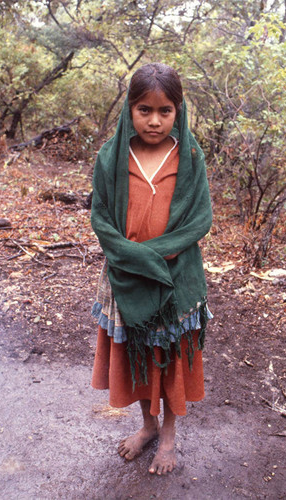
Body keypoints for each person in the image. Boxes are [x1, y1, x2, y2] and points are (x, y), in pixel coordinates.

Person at [90, 63, 212, 475]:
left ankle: (170, 437)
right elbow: (101, 216)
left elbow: (199, 220)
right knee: (138, 353)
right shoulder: (112, 155)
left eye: (165, 111)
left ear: (179, 111)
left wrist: (153, 257)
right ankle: (147, 426)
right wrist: (132, 258)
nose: (154, 120)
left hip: (176, 279)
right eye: (144, 109)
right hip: (125, 277)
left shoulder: (190, 155)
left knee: (170, 358)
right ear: (129, 108)